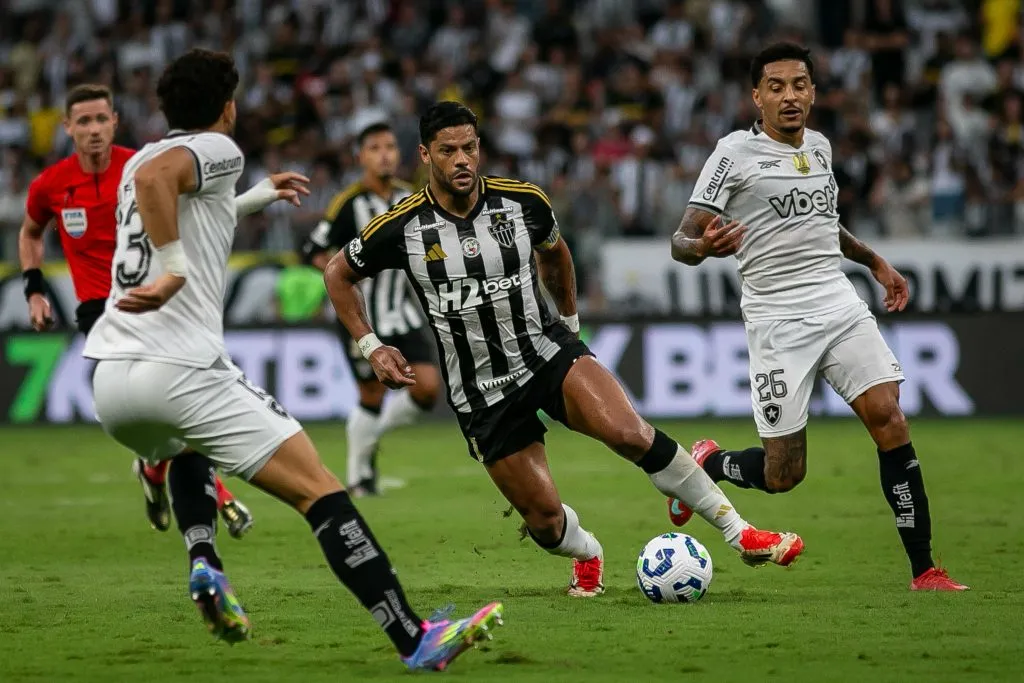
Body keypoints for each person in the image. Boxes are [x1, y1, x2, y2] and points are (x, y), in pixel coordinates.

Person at [83, 49, 501, 671]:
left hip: (112, 381)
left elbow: (169, 196)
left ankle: (205, 561)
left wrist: (254, 198)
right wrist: (175, 272)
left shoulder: (135, 160)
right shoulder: (215, 148)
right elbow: (163, 186)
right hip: (181, 368)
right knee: (321, 492)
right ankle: (416, 638)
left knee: (184, 447)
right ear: (226, 105)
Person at [324, 101, 804, 600]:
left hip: (545, 352)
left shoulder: (523, 202)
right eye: (448, 151)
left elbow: (555, 253)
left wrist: (571, 331)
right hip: (480, 391)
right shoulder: (401, 227)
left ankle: (740, 532)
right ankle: (587, 552)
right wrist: (371, 344)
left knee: (629, 432)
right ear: (426, 155)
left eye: (469, 147)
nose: (462, 159)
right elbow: (337, 273)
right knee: (545, 522)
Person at [666, 43, 967, 592]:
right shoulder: (733, 153)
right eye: (776, 87)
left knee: (889, 417)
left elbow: (826, 225)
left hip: (839, 304)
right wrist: (701, 246)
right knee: (784, 475)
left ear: (812, 92)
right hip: (778, 321)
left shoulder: (822, 149)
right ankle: (708, 463)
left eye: (799, 85)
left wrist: (873, 260)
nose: (789, 96)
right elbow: (681, 239)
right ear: (756, 96)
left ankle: (925, 569)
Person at [17, 83, 255, 538]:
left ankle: (153, 468)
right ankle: (214, 492)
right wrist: (34, 290)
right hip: (100, 312)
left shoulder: (141, 166)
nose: (93, 130)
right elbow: (30, 233)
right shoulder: (51, 184)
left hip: (154, 300)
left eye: (101, 119)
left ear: (115, 123)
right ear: (67, 127)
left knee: (170, 400)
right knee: (167, 402)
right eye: (83, 121)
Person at [301, 122, 441, 496]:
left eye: (391, 147)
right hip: (362, 318)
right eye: (375, 147)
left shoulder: (411, 197)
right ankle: (359, 478)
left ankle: (371, 437)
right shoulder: (348, 203)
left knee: (427, 388)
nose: (384, 154)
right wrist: (346, 274)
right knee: (371, 395)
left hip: (403, 312)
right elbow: (312, 250)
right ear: (361, 156)